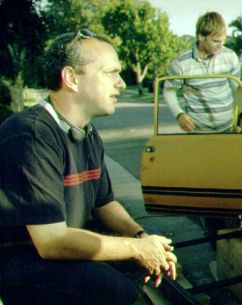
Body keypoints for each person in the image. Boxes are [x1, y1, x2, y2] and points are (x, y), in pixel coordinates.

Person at [0, 29, 177, 305]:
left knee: (142, 271)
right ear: (71, 78)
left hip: (59, 251)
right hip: (22, 262)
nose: (120, 83)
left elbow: (104, 204)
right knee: (118, 292)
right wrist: (134, 248)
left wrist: (143, 238)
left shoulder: (87, 133)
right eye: (111, 73)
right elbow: (51, 241)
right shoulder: (32, 134)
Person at [163, 11, 242, 133]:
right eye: (216, 41)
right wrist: (179, 114)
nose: (220, 46)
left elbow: (239, 88)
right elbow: (169, 91)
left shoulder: (230, 56)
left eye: (223, 41)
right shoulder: (181, 64)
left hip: (228, 129)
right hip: (197, 132)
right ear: (201, 36)